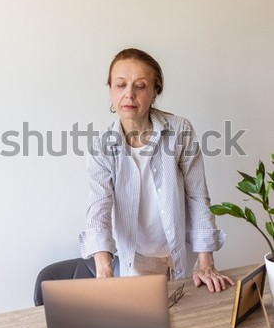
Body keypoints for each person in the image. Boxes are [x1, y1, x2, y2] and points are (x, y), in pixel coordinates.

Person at [79, 48, 234, 292]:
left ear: (155, 91)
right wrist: (104, 270)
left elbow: (197, 196)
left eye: (140, 86)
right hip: (137, 262)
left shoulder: (179, 130)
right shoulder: (101, 146)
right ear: (110, 89)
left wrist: (206, 262)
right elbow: (99, 208)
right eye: (120, 85)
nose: (129, 94)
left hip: (183, 255)